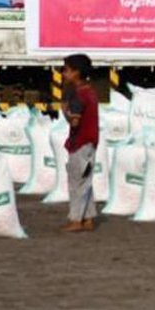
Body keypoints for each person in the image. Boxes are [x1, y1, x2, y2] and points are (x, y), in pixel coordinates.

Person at [60, 54, 99, 232]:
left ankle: (75, 220)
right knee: (86, 181)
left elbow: (74, 122)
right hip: (90, 143)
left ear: (76, 72)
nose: (63, 74)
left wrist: (64, 110)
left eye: (66, 70)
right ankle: (88, 218)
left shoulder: (78, 96)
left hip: (80, 143)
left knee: (76, 182)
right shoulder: (89, 91)